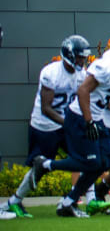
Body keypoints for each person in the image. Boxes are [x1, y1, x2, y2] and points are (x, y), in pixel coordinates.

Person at [45, 31, 110, 217]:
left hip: (96, 118)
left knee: (102, 162)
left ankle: (69, 202)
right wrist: (89, 120)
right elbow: (83, 90)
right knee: (91, 163)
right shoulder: (107, 66)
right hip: (80, 117)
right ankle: (47, 166)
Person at [6, 35, 91, 218]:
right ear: (69, 55)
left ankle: (79, 201)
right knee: (41, 168)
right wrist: (69, 124)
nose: (81, 61)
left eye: (83, 58)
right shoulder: (51, 72)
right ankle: (13, 202)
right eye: (79, 57)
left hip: (64, 124)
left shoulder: (81, 74)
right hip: (44, 126)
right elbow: (46, 108)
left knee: (85, 157)